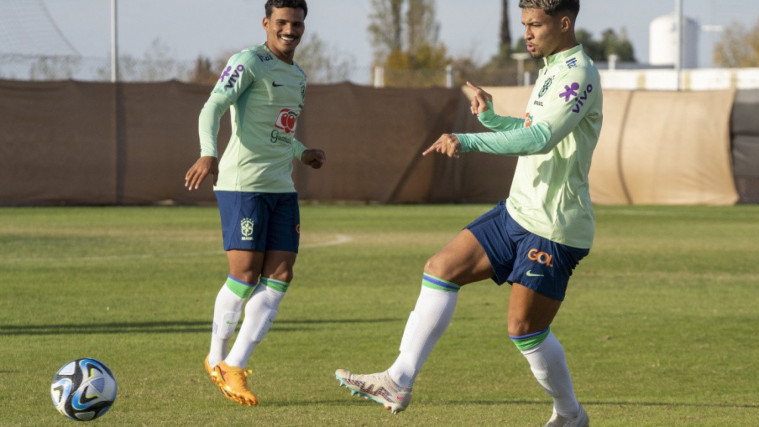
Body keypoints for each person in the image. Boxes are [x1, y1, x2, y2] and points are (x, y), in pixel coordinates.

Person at [334, 1, 601, 425]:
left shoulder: (579, 74)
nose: (526, 33)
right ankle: (398, 379)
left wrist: (469, 140)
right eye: (523, 25)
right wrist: (492, 120)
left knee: (523, 330)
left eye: (535, 24)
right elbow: (531, 130)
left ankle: (570, 415)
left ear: (564, 23)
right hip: (518, 210)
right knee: (441, 267)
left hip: (553, 226)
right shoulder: (550, 68)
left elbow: (542, 140)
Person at [184, 0, 324, 407]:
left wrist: (301, 153)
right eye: (281, 22)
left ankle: (235, 364)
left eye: (296, 23)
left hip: (282, 187)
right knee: (245, 275)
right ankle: (215, 356)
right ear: (266, 23)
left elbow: (276, 130)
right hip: (243, 185)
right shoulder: (249, 61)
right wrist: (207, 152)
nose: (289, 30)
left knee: (281, 273)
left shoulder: (298, 75)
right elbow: (214, 106)